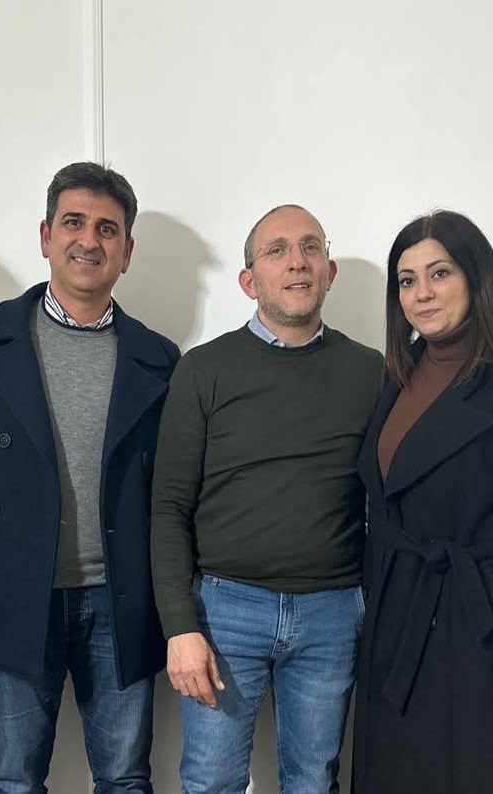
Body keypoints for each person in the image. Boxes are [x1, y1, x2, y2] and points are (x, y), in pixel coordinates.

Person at [0, 162, 180, 794]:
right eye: (74, 222)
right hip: (16, 595)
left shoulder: (160, 359)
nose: (89, 240)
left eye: (107, 228)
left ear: (127, 251)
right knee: (14, 778)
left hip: (121, 598)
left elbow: (170, 491)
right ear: (46, 235)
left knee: (125, 778)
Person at [151, 204, 384, 794]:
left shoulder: (370, 372)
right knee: (211, 782)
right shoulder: (203, 370)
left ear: (329, 271)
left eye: (310, 247)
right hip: (225, 610)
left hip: (332, 612)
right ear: (249, 280)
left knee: (313, 782)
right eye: (276, 250)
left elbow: (389, 501)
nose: (297, 261)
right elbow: (169, 507)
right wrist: (179, 626)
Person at [352, 210, 493, 793]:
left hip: (489, 627)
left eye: (440, 273)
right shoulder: (398, 375)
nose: (422, 293)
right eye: (407, 280)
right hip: (399, 618)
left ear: (476, 278)